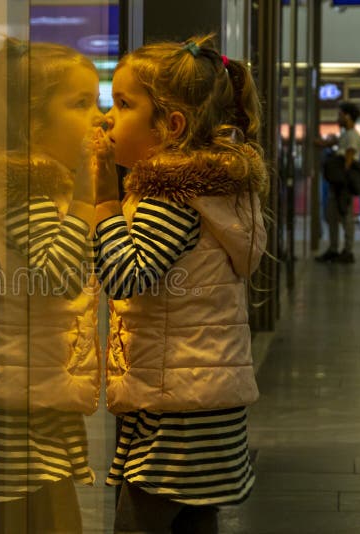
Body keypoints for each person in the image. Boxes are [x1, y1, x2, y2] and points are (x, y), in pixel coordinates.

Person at [89, 35, 268, 534]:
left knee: (141, 518)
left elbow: (126, 275)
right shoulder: (212, 192)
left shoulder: (170, 197)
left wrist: (104, 203)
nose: (107, 118)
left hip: (177, 404)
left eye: (123, 104)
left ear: (171, 127)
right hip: (203, 391)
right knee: (193, 517)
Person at [0, 39, 103, 534]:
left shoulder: (29, 185)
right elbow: (57, 275)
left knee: (35, 508)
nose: (99, 117)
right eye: (80, 104)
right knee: (35, 513)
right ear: (31, 123)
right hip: (16, 388)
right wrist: (87, 200)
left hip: (24, 379)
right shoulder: (26, 189)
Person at [316, 101, 360, 263]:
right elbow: (333, 143)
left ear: (348, 116)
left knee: (345, 217)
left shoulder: (351, 135)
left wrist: (341, 178)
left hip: (343, 184)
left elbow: (348, 159)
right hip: (338, 183)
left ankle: (347, 251)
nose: (338, 118)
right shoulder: (346, 134)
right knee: (332, 216)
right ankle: (334, 249)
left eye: (340, 115)